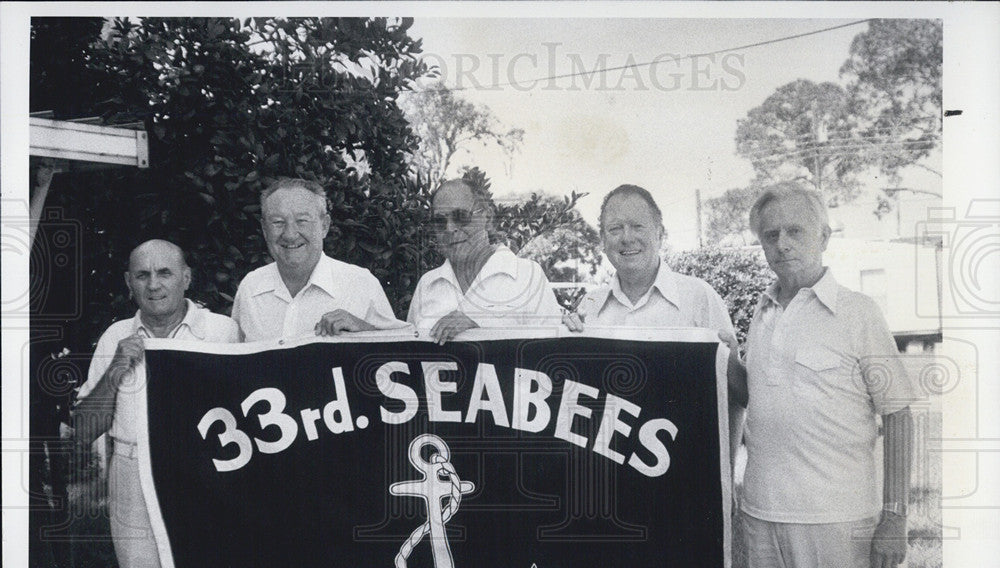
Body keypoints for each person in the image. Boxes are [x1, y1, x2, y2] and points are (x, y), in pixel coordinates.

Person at [730, 181, 915, 568]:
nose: (783, 243)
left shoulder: (858, 313)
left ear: (824, 236)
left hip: (837, 522)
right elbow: (758, 394)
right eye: (771, 235)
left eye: (795, 231)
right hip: (764, 517)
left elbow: (898, 413)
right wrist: (712, 357)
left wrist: (895, 515)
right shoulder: (762, 314)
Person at [74, 240, 240, 568]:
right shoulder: (115, 336)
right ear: (129, 284)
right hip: (134, 476)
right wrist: (116, 369)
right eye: (142, 275)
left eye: (164, 273)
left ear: (187, 277)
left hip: (209, 477)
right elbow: (85, 428)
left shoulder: (222, 333)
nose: (154, 284)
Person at [564, 184, 743, 456]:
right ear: (603, 240)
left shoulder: (700, 297)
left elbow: (734, 398)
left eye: (638, 226)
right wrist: (562, 342)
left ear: (660, 234)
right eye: (615, 229)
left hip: (683, 475)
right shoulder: (589, 305)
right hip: (608, 476)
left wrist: (724, 484)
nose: (627, 238)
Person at [232, 178, 405, 341]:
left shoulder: (361, 285)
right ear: (264, 229)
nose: (290, 234)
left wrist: (365, 331)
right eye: (278, 222)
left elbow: (400, 360)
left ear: (324, 226)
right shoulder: (251, 288)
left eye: (302, 221)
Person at [407, 179, 562, 343]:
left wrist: (481, 331)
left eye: (461, 217)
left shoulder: (527, 275)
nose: (450, 228)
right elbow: (409, 355)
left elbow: (550, 352)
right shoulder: (427, 284)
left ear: (487, 217)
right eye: (440, 221)